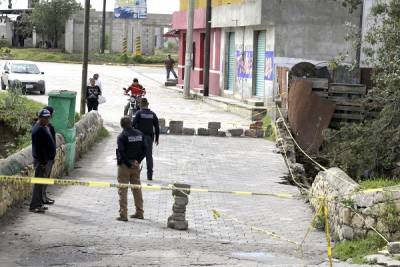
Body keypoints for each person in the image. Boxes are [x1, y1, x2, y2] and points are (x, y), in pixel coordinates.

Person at [116, 116, 147, 221]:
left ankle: (123, 215)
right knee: (137, 189)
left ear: (121, 125)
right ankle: (140, 212)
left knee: (123, 190)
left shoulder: (122, 136)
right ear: (131, 123)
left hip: (125, 166)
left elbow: (121, 152)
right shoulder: (140, 134)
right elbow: (145, 149)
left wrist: (129, 163)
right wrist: (137, 161)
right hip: (136, 165)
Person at [29, 109, 56, 213]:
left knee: (41, 183)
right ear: (40, 118)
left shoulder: (44, 127)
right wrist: (43, 163)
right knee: (38, 184)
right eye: (45, 118)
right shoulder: (38, 129)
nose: (47, 119)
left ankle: (39, 203)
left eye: (48, 117)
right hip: (41, 162)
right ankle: (35, 205)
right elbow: (38, 149)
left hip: (45, 160)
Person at [133, 98, 160, 181]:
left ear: (141, 104)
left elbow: (133, 125)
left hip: (139, 138)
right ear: (147, 104)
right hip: (149, 138)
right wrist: (157, 138)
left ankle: (135, 174)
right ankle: (150, 175)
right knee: (149, 156)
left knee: (137, 156)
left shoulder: (138, 113)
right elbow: (157, 127)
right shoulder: (153, 114)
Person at [41, 106, 56, 205]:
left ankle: (44, 196)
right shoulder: (44, 128)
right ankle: (41, 198)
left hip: (50, 157)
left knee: (47, 178)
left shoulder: (49, 126)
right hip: (45, 159)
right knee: (43, 179)